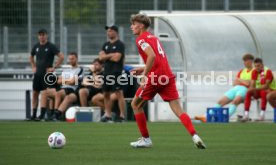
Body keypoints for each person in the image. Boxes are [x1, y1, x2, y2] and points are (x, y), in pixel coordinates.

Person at [129, 13, 206, 149]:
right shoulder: (154, 38)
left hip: (155, 77)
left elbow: (151, 56)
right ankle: (195, 135)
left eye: (134, 24)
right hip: (167, 76)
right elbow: (156, 59)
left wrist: (144, 75)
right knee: (178, 109)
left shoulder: (141, 39)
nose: (131, 27)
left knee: (135, 104)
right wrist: (142, 69)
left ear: (141, 26)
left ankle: (146, 140)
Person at [195, 54, 255, 122]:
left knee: (235, 101)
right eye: (244, 61)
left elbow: (249, 84)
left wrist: (240, 80)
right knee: (220, 102)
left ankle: (225, 117)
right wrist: (242, 81)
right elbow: (234, 83)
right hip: (236, 88)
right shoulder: (242, 71)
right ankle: (205, 116)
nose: (244, 63)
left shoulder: (254, 71)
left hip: (246, 90)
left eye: (246, 61)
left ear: (251, 61)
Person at [29, 29, 64, 120]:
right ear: (38, 36)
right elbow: (31, 56)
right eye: (40, 35)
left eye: (43, 35)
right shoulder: (36, 46)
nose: (42, 36)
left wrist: (54, 67)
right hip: (37, 74)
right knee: (35, 93)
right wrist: (33, 67)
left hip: (46, 75)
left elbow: (61, 56)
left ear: (46, 35)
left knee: (46, 93)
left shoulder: (51, 46)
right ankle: (33, 114)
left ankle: (43, 115)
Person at [98, 25, 126, 122]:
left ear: (115, 32)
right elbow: (100, 58)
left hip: (116, 72)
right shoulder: (105, 44)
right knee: (106, 93)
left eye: (110, 31)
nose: (108, 33)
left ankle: (122, 116)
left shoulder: (120, 44)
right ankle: (108, 114)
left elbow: (117, 58)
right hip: (106, 72)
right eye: (108, 31)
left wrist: (106, 56)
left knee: (119, 93)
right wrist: (111, 55)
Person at [53, 52, 83, 120]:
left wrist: (65, 80)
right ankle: (55, 113)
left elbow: (73, 82)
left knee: (64, 95)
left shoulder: (80, 69)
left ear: (76, 59)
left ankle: (56, 114)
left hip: (73, 90)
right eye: (70, 59)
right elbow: (58, 81)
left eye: (72, 59)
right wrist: (69, 80)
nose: (71, 60)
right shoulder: (66, 69)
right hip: (63, 89)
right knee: (46, 92)